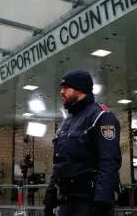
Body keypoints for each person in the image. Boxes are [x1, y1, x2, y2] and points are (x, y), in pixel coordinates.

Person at [43, 69, 122, 216]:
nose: (61, 92)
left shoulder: (101, 117)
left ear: (79, 90)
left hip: (89, 202)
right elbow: (61, 161)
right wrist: (50, 195)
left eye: (66, 88)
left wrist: (102, 200)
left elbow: (109, 160)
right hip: (67, 201)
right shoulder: (67, 122)